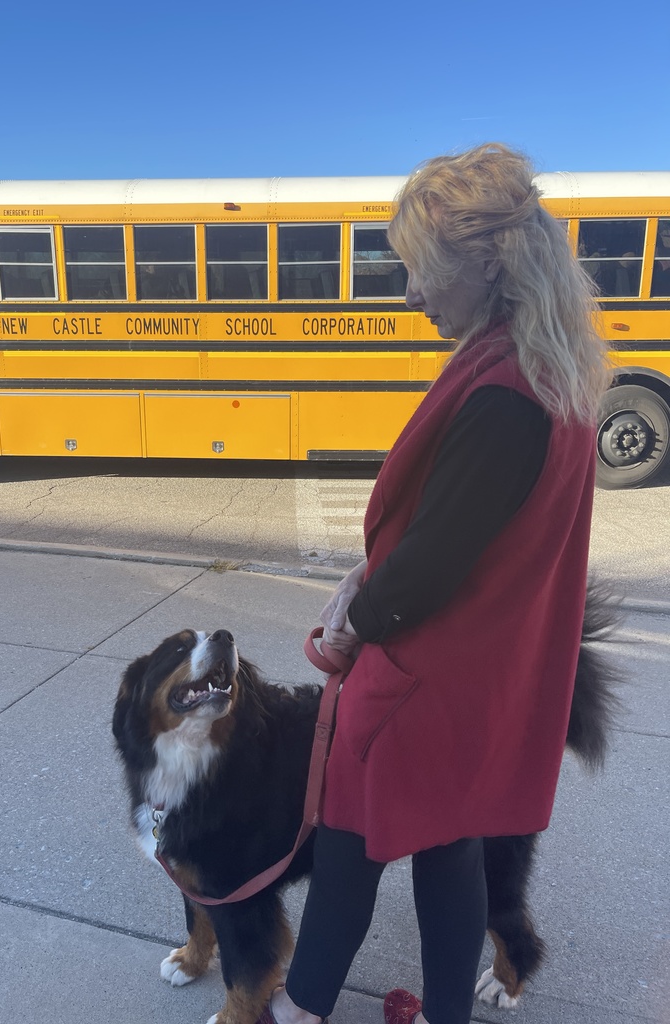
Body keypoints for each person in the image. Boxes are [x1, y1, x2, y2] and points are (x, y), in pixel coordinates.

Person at [257, 143, 613, 1024]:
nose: (410, 295)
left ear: (488, 262)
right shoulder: (549, 374)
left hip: (414, 689)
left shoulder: (501, 393)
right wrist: (371, 569)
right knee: (451, 860)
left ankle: (301, 1010)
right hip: (478, 692)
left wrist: (352, 617)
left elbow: (429, 567)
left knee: (344, 864)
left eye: (420, 272)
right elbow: (464, 535)